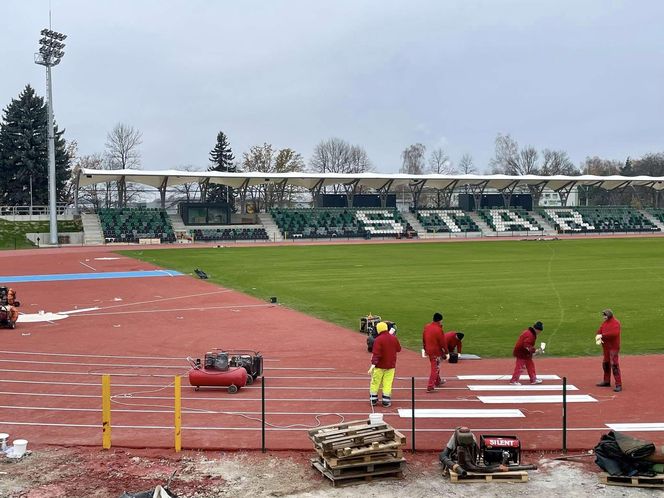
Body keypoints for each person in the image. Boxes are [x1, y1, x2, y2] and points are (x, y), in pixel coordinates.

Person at [368, 321, 401, 407]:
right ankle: (386, 400)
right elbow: (398, 349)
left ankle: (373, 399)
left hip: (379, 366)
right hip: (390, 366)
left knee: (375, 382)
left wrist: (373, 365)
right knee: (387, 383)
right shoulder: (393, 338)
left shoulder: (378, 340)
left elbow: (376, 354)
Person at [595, 309, 622, 392]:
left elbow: (614, 334)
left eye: (605, 315)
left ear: (609, 315)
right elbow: (600, 330)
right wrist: (598, 336)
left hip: (613, 347)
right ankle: (606, 381)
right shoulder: (605, 323)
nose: (604, 317)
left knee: (614, 365)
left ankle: (618, 384)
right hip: (606, 347)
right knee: (605, 364)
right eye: (603, 315)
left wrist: (602, 336)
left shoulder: (615, 323)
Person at [509, 321, 544, 385]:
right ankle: (514, 380)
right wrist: (535, 351)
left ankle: (533, 379)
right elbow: (526, 345)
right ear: (537, 329)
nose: (540, 333)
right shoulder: (530, 335)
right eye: (540, 331)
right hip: (521, 353)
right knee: (519, 367)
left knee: (530, 365)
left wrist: (532, 351)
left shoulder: (529, 332)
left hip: (525, 353)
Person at [422, 312, 448, 392]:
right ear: (440, 320)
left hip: (429, 350)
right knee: (435, 368)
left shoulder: (427, 327)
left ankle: (437, 381)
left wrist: (425, 348)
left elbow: (423, 338)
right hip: (435, 351)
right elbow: (442, 342)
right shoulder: (439, 330)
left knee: (436, 366)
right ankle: (430, 386)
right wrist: (446, 352)